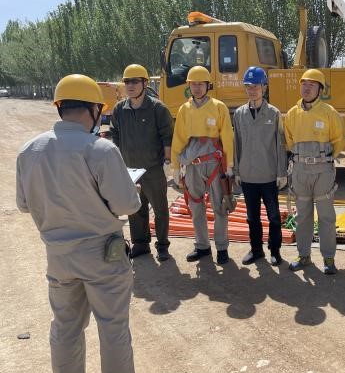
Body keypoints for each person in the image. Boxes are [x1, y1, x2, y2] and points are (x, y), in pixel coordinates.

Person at [16, 74, 157, 373]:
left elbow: (23, 204)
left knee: (65, 329)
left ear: (60, 107)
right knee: (112, 328)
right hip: (102, 256)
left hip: (58, 258)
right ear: (94, 109)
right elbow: (126, 205)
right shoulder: (100, 150)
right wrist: (132, 192)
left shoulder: (29, 150)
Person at [170, 65, 235, 264]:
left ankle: (222, 248)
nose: (197, 88)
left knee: (220, 206)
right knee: (195, 206)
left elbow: (227, 136)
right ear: (189, 86)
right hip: (192, 165)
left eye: (201, 84)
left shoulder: (218, 107)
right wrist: (175, 166)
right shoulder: (184, 109)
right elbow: (179, 139)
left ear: (208, 85)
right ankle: (202, 246)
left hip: (215, 163)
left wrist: (229, 164)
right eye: (193, 84)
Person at [110, 64, 174, 261]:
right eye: (127, 82)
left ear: (145, 84)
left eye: (135, 81)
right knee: (135, 209)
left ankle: (162, 245)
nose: (130, 85)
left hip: (154, 169)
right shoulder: (119, 109)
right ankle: (140, 244)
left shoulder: (157, 109)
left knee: (160, 209)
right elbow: (115, 135)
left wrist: (168, 161)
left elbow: (167, 136)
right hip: (130, 170)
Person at [284, 69, 344, 275]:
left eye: (312, 85)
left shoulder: (329, 112)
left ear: (320, 89)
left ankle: (328, 257)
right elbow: (289, 141)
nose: (307, 88)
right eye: (304, 84)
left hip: (323, 171)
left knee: (326, 216)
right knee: (303, 216)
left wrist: (324, 160)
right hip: (300, 171)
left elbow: (338, 140)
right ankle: (304, 255)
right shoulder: (292, 114)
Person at [233, 66, 288, 266]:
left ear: (264, 87)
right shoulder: (239, 114)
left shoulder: (274, 113)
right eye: (248, 86)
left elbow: (280, 144)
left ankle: (275, 250)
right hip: (248, 175)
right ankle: (256, 250)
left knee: (273, 217)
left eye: (256, 86)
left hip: (269, 175)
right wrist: (237, 171)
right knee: (252, 217)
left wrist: (282, 172)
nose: (252, 90)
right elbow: (236, 144)